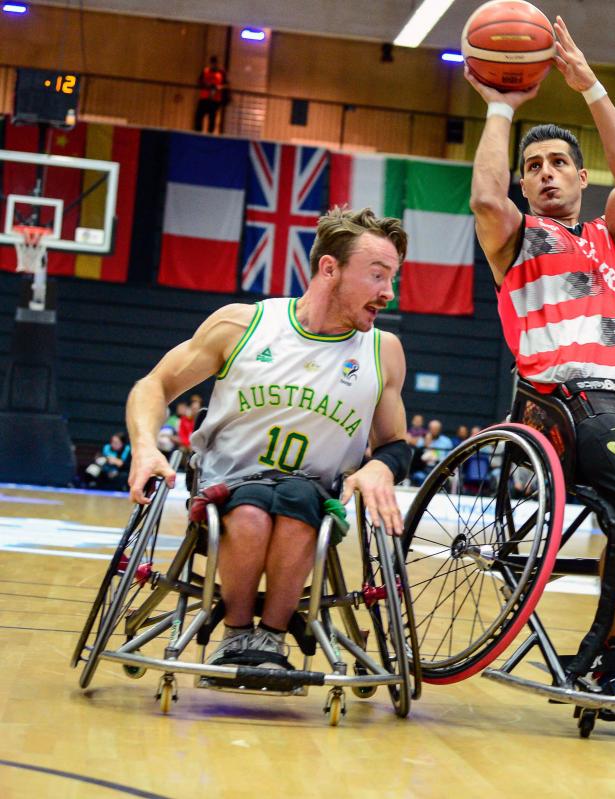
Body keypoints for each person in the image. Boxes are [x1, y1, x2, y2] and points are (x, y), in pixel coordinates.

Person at [467, 16, 615, 699]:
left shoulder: (611, 235)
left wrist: (589, 84)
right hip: (566, 401)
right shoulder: (515, 239)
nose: (545, 173)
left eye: (559, 162)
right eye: (533, 168)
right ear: (525, 187)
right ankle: (609, 651)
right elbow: (482, 195)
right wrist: (502, 107)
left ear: (580, 175)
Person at [124, 207, 412, 670]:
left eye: (392, 278)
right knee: (254, 508)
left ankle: (271, 641)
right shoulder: (244, 325)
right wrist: (143, 447)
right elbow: (153, 386)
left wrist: (381, 465)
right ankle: (237, 634)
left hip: (314, 495)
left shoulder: (384, 352)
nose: (388, 293)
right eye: (377, 276)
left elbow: (396, 442)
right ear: (329, 268)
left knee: (296, 501)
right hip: (228, 484)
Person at [193, 56, 228, 134]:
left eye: (215, 63)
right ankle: (198, 133)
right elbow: (199, 81)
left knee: (212, 119)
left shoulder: (221, 73)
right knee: (199, 116)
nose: (213, 65)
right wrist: (206, 84)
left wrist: (219, 87)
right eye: (212, 63)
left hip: (215, 100)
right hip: (204, 98)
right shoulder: (205, 71)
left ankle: (209, 134)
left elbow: (226, 84)